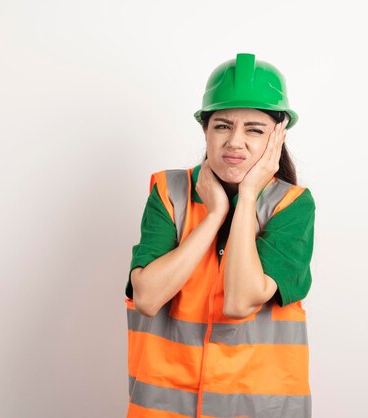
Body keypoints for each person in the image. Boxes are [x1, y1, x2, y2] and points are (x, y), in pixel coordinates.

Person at [124, 53, 315, 418]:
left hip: (260, 409)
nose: (235, 142)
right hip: (166, 409)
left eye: (254, 130)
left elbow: (239, 302)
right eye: (223, 126)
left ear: (278, 135)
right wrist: (214, 216)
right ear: (205, 129)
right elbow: (147, 297)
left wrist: (246, 198)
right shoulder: (170, 192)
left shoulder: (292, 205)